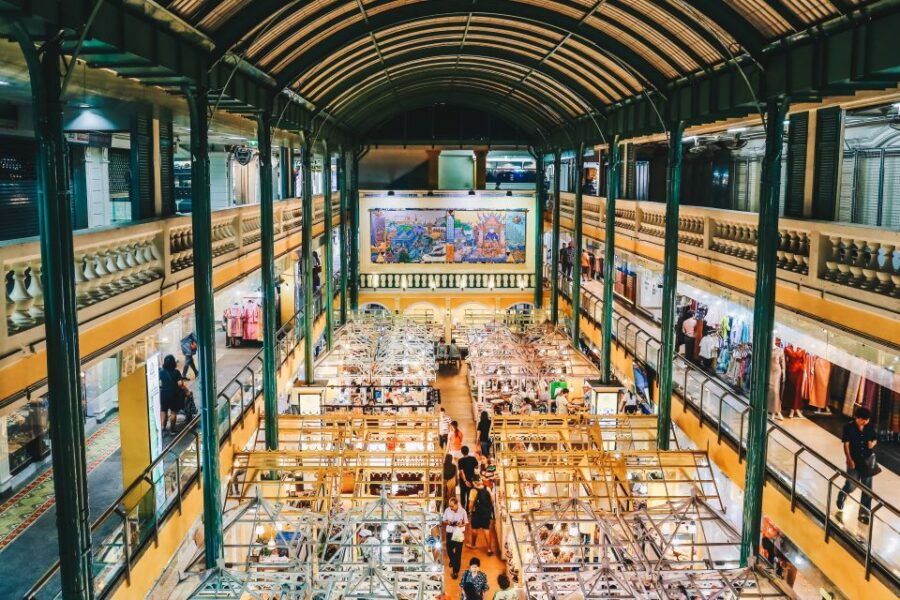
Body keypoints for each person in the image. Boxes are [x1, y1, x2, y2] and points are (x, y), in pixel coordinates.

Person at [836, 407, 878, 525]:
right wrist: (849, 459)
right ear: (857, 418)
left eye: (867, 420)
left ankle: (864, 513)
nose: (865, 422)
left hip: (868, 460)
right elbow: (846, 444)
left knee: (867, 488)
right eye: (862, 420)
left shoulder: (869, 426)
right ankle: (842, 494)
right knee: (852, 485)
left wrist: (872, 444)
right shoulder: (848, 427)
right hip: (854, 460)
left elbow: (874, 439)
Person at [159, 354, 189, 432]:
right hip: (173, 394)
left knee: (163, 411)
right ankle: (172, 429)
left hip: (163, 394)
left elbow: (159, 383)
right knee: (173, 412)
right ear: (173, 363)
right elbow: (180, 384)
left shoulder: (161, 372)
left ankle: (163, 427)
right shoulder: (176, 372)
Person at [467, 479, 495, 554]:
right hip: (486, 512)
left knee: (474, 528)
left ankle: (473, 545)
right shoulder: (487, 488)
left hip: (476, 512)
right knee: (486, 529)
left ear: (474, 482)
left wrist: (470, 511)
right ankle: (489, 549)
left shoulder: (473, 491)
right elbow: (492, 500)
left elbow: (471, 503)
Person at [443, 496, 468, 578]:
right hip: (450, 531)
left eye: (452, 506)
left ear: (457, 504)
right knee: (448, 549)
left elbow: (466, 522)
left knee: (458, 552)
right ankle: (453, 561)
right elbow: (444, 520)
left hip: (458, 533)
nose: (450, 508)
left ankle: (455, 572)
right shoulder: (447, 510)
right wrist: (448, 522)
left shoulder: (463, 511)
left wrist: (461, 525)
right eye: (449, 506)